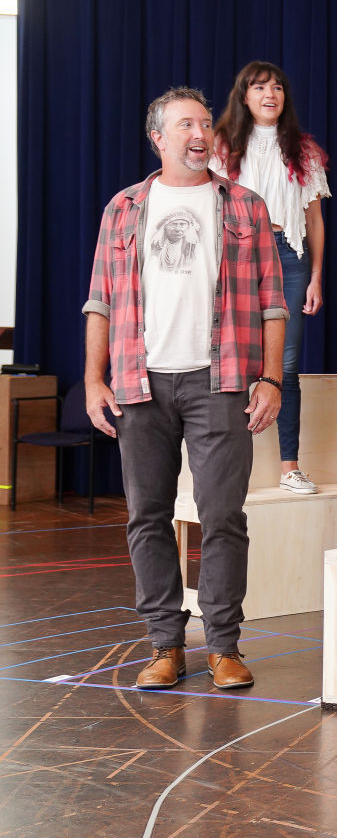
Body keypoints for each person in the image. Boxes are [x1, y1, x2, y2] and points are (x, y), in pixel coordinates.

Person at [82, 87, 285, 691]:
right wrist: (94, 378)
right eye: (185, 125)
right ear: (159, 139)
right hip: (139, 383)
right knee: (147, 515)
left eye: (206, 123)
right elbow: (99, 301)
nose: (200, 133)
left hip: (220, 380)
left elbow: (274, 305)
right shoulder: (122, 208)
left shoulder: (246, 207)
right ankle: (165, 646)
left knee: (223, 516)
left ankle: (223, 646)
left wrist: (271, 378)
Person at [212, 61, 330, 496]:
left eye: (278, 87)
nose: (270, 94)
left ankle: (290, 466)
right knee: (235, 361)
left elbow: (314, 219)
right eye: (260, 87)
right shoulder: (221, 147)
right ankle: (227, 466)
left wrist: (316, 276)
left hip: (289, 256)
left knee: (287, 366)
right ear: (244, 96)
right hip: (237, 257)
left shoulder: (303, 150)